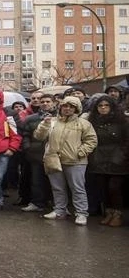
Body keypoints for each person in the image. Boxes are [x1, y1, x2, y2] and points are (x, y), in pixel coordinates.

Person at [34, 96, 97, 225]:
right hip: (53, 159)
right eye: (65, 106)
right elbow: (39, 136)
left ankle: (81, 213)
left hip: (76, 161)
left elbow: (91, 140)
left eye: (71, 106)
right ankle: (59, 210)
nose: (67, 109)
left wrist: (80, 152)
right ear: (60, 107)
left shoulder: (84, 123)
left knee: (77, 188)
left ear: (76, 109)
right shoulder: (51, 121)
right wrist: (44, 125)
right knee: (57, 188)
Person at [86, 96, 127, 226]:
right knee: (103, 188)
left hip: (118, 158)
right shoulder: (93, 122)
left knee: (114, 187)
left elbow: (126, 141)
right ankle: (109, 212)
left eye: (106, 105)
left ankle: (117, 214)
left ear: (112, 107)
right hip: (99, 158)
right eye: (100, 106)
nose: (103, 108)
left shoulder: (123, 121)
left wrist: (121, 156)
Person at [18, 94, 56, 213]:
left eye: (48, 101)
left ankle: (56, 204)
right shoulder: (31, 118)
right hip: (36, 154)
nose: (45, 104)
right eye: (42, 101)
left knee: (56, 182)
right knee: (36, 180)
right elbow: (25, 135)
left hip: (54, 154)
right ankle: (37, 203)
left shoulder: (60, 117)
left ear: (54, 103)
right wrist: (27, 147)